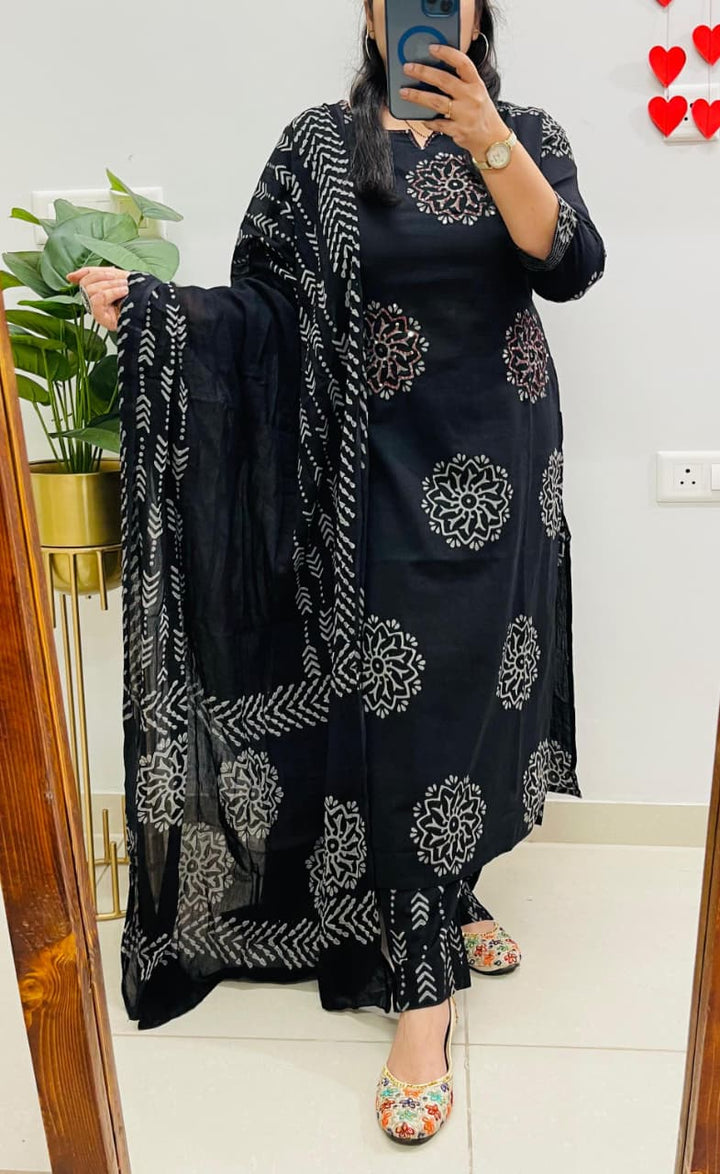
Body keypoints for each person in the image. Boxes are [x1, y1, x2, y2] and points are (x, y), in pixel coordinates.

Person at [67, 0, 605, 1147]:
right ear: (368, 14)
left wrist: (486, 138)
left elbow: (569, 263)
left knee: (480, 691)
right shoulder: (319, 146)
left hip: (503, 457)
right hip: (367, 472)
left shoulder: (529, 132)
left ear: (478, 11)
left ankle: (449, 888)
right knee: (405, 705)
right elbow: (265, 308)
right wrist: (157, 312)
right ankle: (422, 990)